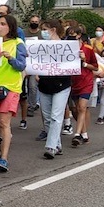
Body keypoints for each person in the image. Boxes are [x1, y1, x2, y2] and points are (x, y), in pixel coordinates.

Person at [0, 14, 26, 172]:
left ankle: (3, 158)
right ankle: (3, 143)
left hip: (10, 87)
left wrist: (11, 58)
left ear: (11, 27)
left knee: (4, 122)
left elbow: (21, 66)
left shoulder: (18, 43)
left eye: (3, 24)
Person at [35, 19, 71, 159]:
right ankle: (57, 144)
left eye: (45, 29)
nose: (42, 32)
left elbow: (72, 64)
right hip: (45, 84)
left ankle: (50, 146)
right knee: (48, 118)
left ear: (53, 30)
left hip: (62, 85)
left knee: (56, 116)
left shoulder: (66, 46)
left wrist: (79, 57)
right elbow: (36, 62)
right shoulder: (40, 46)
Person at [67, 25, 98, 146]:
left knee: (82, 107)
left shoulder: (88, 49)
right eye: (69, 35)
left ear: (79, 35)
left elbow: (95, 66)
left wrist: (84, 63)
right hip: (73, 82)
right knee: (75, 109)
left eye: (73, 35)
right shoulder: (66, 48)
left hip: (86, 81)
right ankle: (84, 133)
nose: (71, 37)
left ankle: (77, 134)